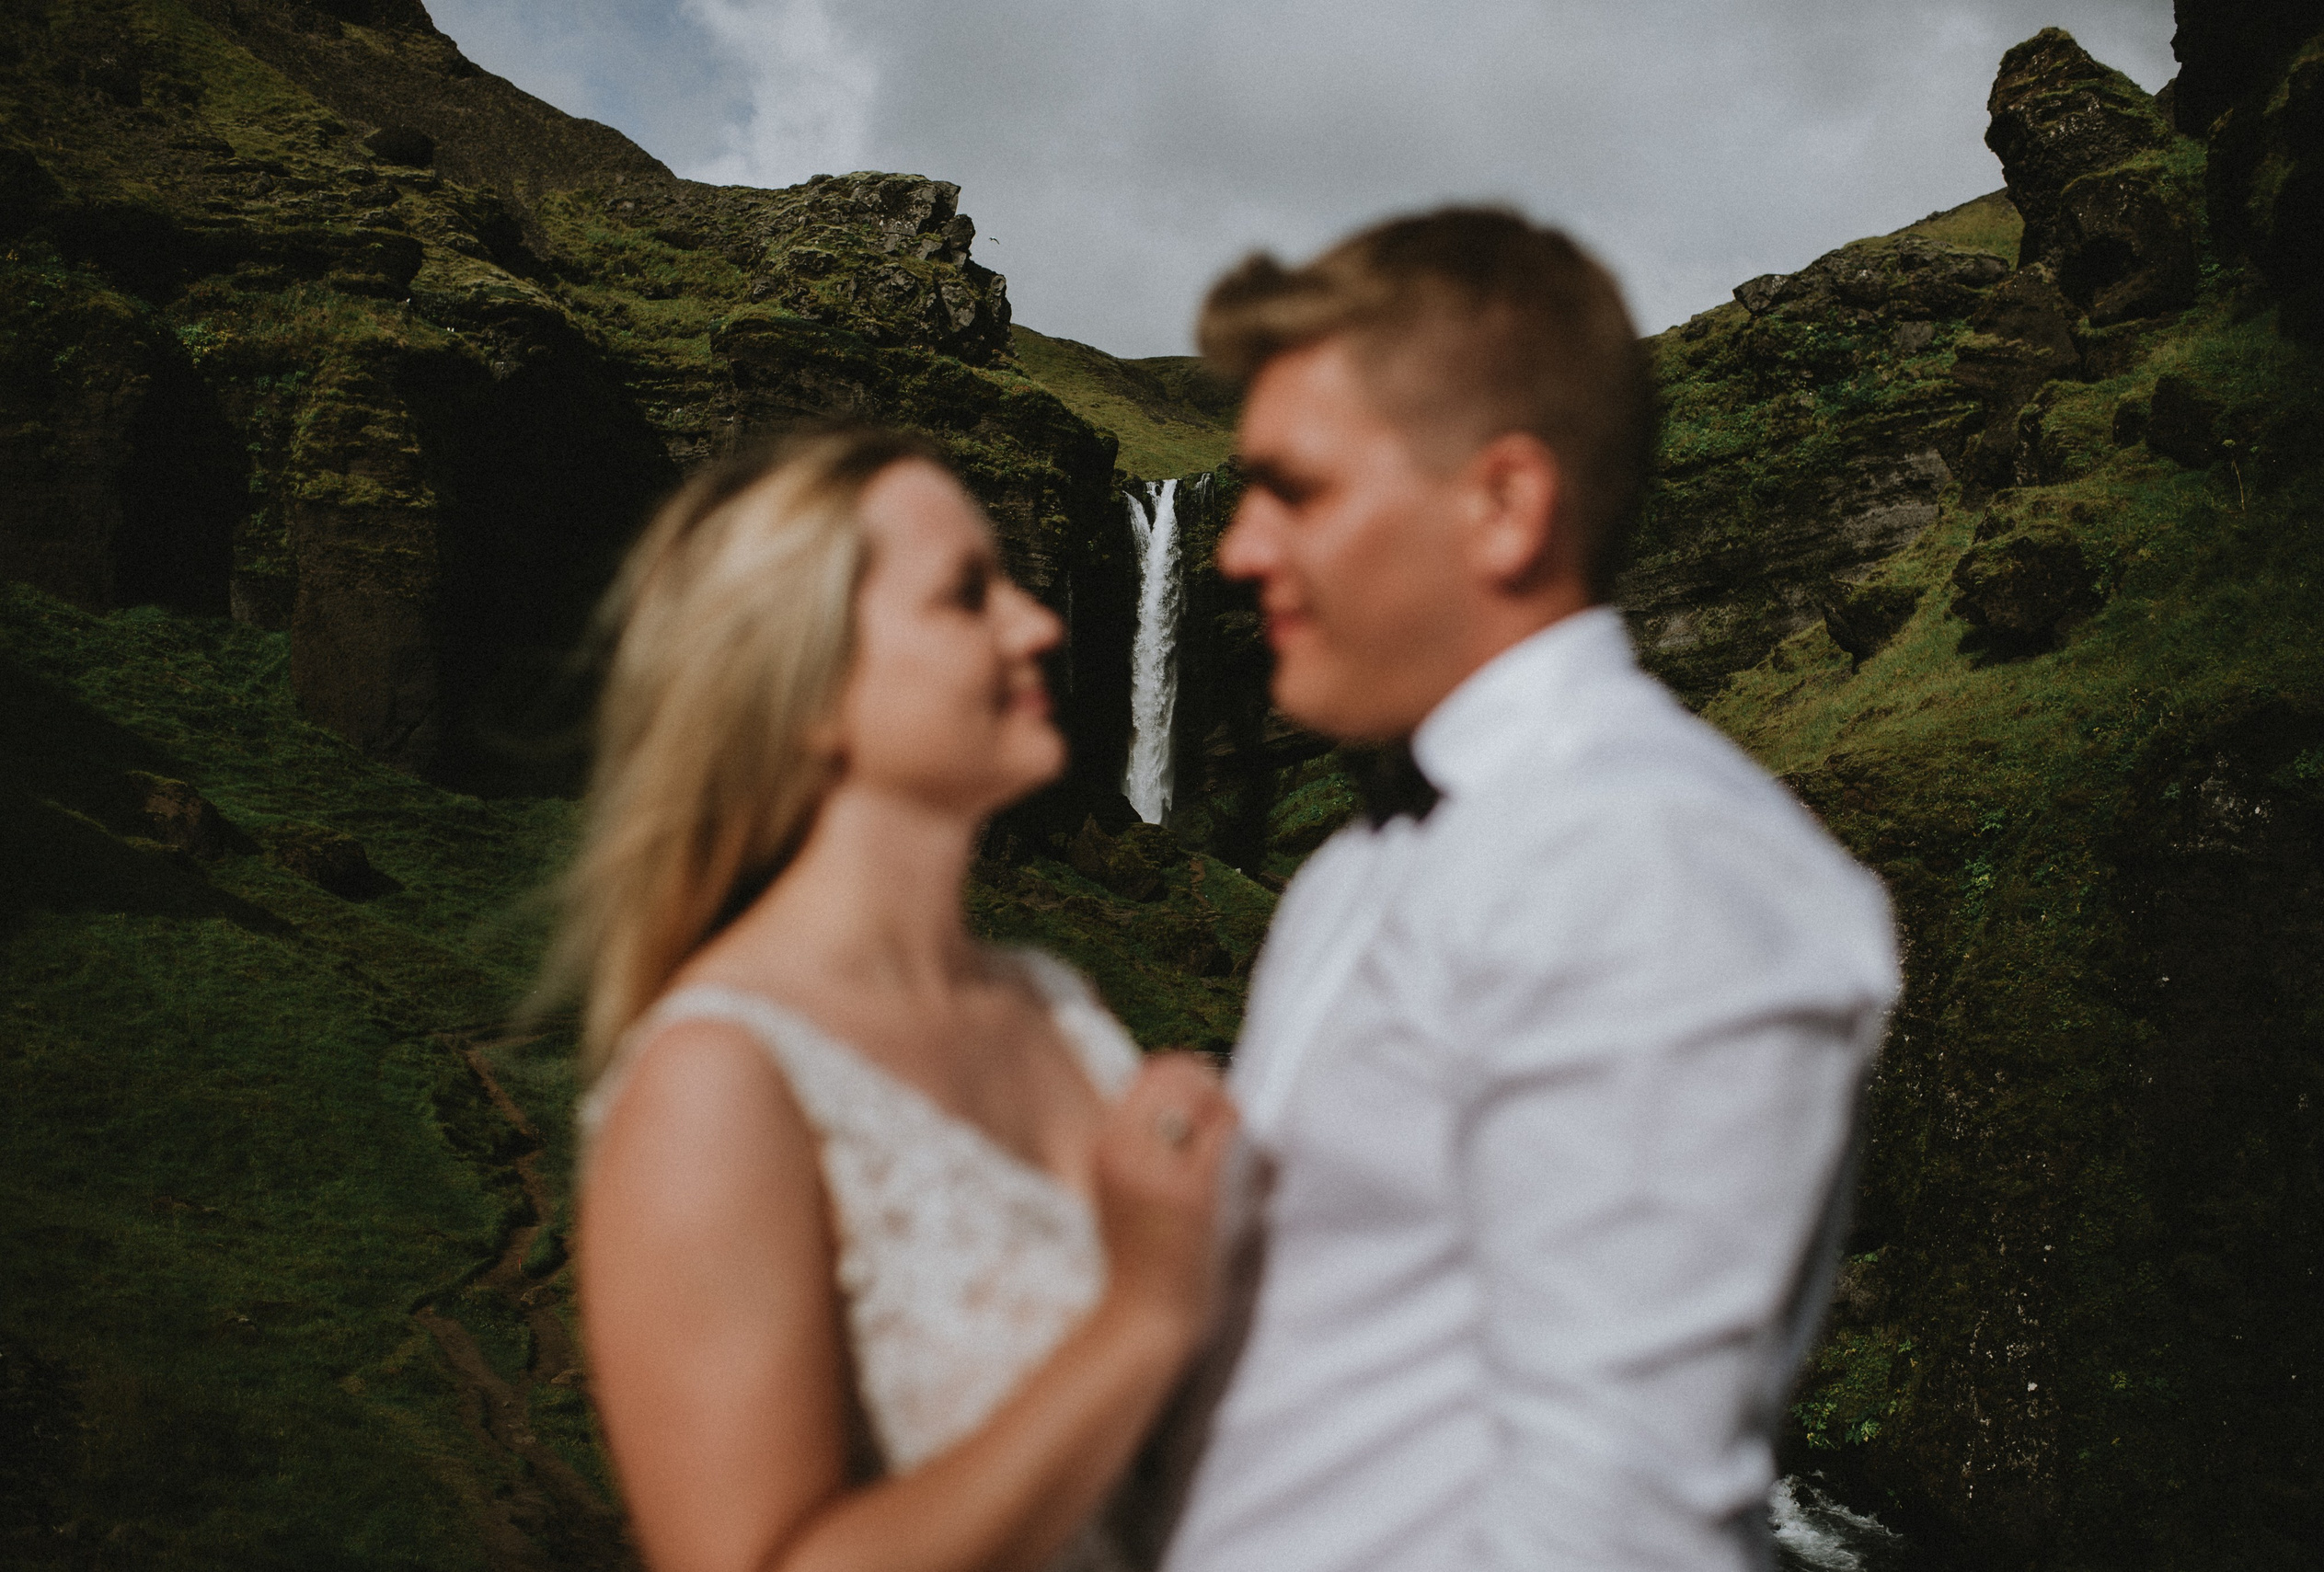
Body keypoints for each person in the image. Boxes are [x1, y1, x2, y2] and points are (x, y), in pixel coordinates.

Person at [1158, 210, 1903, 1571]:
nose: (1237, 550)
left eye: (1295, 490)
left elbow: (1614, 1528)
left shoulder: (1653, 866)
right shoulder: (1358, 866)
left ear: (1504, 504)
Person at [546, 427, 1237, 1572]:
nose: (1039, 625)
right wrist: (1145, 1316)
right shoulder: (715, 1078)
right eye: (967, 596)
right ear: (808, 685)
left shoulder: (1055, 1004)